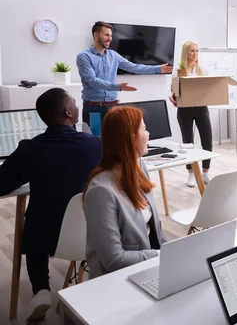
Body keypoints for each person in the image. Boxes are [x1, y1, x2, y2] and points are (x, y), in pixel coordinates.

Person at [0, 88, 101, 321]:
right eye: (74, 103)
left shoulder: (30, 148)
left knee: (35, 215)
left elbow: (3, 184)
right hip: (93, 233)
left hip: (45, 238)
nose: (77, 107)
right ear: (68, 112)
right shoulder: (96, 145)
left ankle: (41, 290)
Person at [83, 106, 167, 279]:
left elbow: (155, 228)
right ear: (131, 138)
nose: (148, 133)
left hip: (148, 268)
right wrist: (159, 255)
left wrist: (172, 254)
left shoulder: (139, 167)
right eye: (144, 129)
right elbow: (114, 260)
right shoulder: (101, 192)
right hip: (118, 279)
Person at [76, 21, 173, 126]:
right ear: (96, 35)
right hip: (93, 108)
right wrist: (119, 87)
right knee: (95, 140)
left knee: (116, 140)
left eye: (111, 35)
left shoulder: (114, 56)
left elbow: (134, 67)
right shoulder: (84, 56)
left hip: (113, 107)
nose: (110, 38)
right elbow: (92, 81)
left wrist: (158, 69)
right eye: (106, 35)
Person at [169, 41, 213, 185]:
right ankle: (191, 174)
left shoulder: (203, 69)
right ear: (185, 53)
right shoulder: (178, 69)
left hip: (201, 108)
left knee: (207, 140)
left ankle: (205, 172)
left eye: (197, 51)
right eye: (192, 51)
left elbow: (207, 90)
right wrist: (172, 96)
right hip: (185, 109)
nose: (195, 54)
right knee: (188, 142)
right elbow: (174, 90)